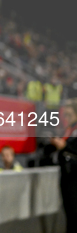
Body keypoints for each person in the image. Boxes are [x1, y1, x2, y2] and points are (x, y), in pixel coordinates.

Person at [51, 99, 77, 233]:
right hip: (66, 176)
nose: (66, 118)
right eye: (65, 115)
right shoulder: (68, 129)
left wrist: (65, 146)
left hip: (74, 177)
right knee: (69, 213)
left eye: (69, 114)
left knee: (74, 213)